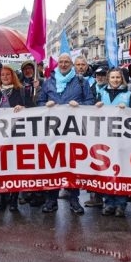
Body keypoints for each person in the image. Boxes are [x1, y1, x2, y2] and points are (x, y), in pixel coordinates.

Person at [36, 54, 94, 214]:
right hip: (52, 131)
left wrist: (80, 105)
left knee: (72, 164)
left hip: (73, 131)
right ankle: (51, 199)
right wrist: (45, 104)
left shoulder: (82, 82)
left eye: (66, 62)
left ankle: (74, 199)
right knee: (52, 163)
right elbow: (39, 102)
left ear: (72, 65)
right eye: (61, 62)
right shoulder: (49, 82)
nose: (63, 64)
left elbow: (90, 101)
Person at [0, 65, 32, 211]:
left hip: (16, 137)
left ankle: (13, 199)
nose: (5, 77)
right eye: (2, 75)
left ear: (13, 76)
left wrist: (24, 109)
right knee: (0, 167)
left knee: (14, 167)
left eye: (8, 75)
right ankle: (1, 199)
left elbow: (32, 108)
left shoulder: (22, 91)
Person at [95, 67, 131, 217]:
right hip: (105, 137)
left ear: (121, 79)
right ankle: (108, 202)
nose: (115, 80)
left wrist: (127, 109)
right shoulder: (101, 93)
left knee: (121, 170)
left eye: (118, 78)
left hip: (122, 138)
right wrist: (96, 108)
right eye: (113, 77)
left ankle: (121, 204)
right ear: (108, 79)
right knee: (106, 170)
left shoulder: (128, 94)